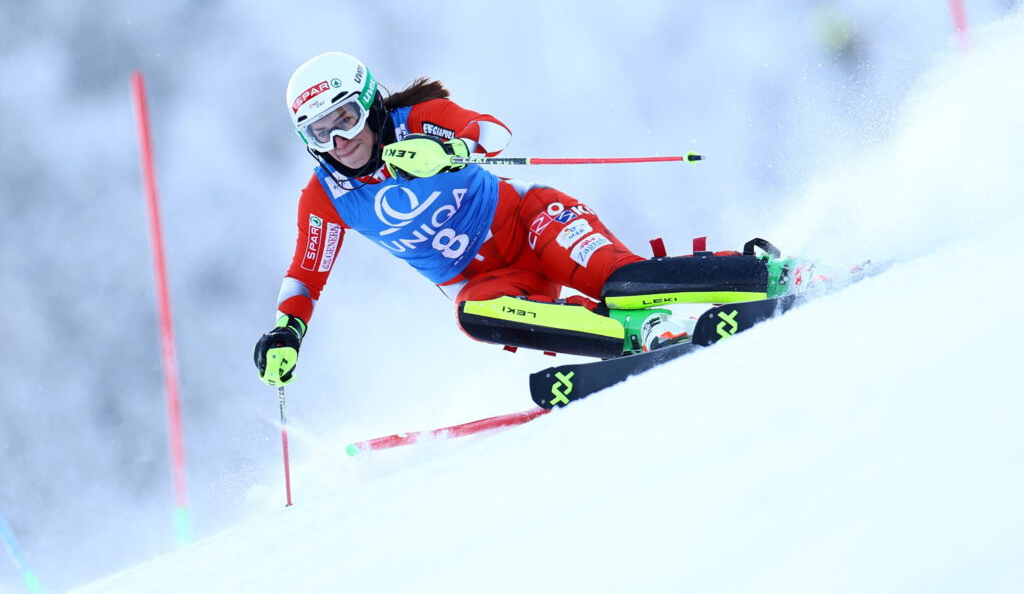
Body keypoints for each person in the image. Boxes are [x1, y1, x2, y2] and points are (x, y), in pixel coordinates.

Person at [254, 53, 798, 386]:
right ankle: (630, 334)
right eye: (320, 133)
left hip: (533, 224)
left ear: (370, 105)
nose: (341, 141)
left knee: (619, 281)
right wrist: (286, 332)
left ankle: (758, 273)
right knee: (473, 317)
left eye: (345, 118)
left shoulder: (416, 120)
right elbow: (306, 272)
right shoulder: (326, 195)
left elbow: (493, 133)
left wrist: (451, 151)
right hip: (489, 279)